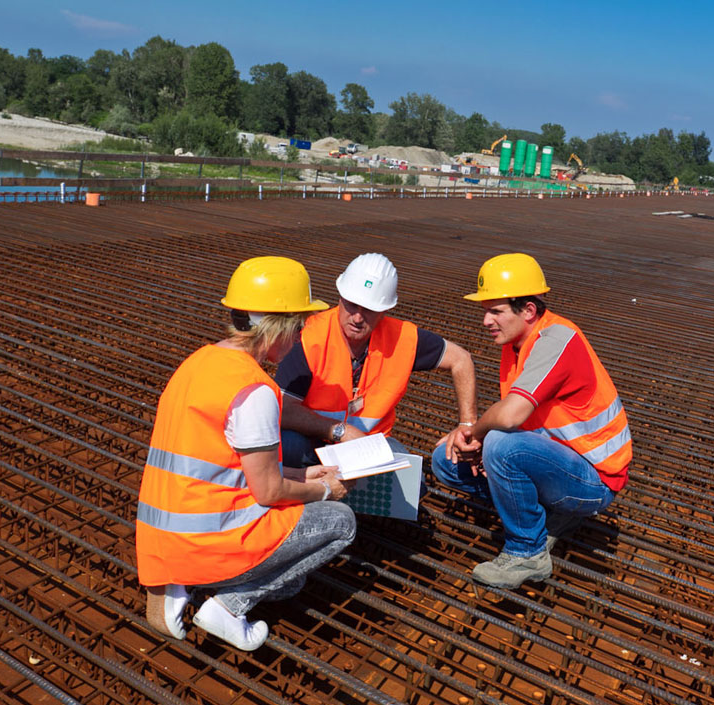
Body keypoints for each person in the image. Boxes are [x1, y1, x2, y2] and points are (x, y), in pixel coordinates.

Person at [136, 256, 356, 651]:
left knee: (293, 582)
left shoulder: (198, 363)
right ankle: (228, 606)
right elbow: (269, 492)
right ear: (280, 327)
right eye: (300, 325)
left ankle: (178, 583)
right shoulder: (253, 390)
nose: (301, 336)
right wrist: (326, 492)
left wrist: (305, 475)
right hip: (208, 537)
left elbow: (227, 464)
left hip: (163, 536)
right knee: (341, 522)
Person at [431, 253, 632, 588]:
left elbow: (508, 416)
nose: (486, 321)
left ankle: (528, 552)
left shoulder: (555, 340)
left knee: (498, 443)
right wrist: (473, 441)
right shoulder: (516, 344)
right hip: (558, 459)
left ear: (527, 310)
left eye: (495, 311)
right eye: (485, 310)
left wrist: (475, 433)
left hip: (596, 479)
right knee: (446, 460)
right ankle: (547, 517)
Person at [276, 252, 477, 466]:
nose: (358, 317)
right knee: (286, 446)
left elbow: (461, 359)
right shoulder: (309, 336)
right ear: (340, 297)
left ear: (385, 311)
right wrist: (339, 431)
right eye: (352, 305)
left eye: (369, 310)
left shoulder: (402, 338)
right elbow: (284, 411)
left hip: (370, 443)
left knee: (408, 478)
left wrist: (467, 424)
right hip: (312, 440)